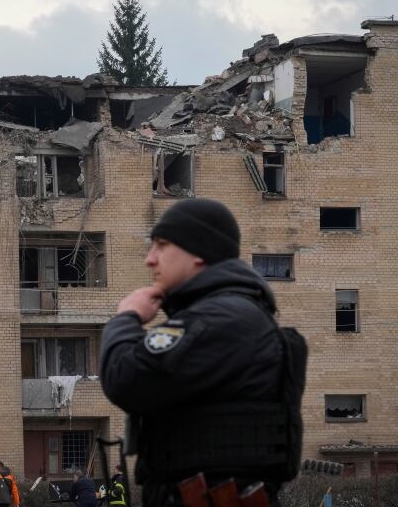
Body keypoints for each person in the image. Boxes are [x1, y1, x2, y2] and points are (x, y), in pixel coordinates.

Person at [99, 198, 305, 507]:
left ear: (198, 252)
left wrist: (125, 319)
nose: (150, 259)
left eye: (162, 245)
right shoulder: (230, 314)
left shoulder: (221, 319)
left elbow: (126, 378)